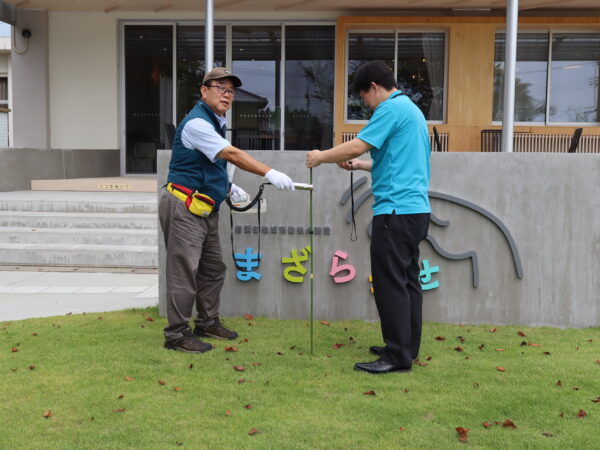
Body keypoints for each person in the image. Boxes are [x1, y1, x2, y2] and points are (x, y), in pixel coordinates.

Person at [306, 61, 431, 374]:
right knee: (408, 282)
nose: (366, 104)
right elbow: (395, 162)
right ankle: (406, 347)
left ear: (374, 87)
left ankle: (397, 356)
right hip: (415, 210)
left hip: (394, 212)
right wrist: (361, 166)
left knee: (390, 285)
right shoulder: (413, 112)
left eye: (364, 97)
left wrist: (320, 157)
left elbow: (359, 144)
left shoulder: (389, 109)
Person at [160, 67, 295, 353]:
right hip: (184, 205)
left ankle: (207, 322)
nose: (226, 94)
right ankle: (176, 335)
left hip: (205, 207)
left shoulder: (215, 122)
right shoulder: (197, 123)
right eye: (220, 87)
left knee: (213, 269)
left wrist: (228, 187)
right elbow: (229, 154)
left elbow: (213, 163)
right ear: (204, 90)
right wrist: (268, 172)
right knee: (184, 272)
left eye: (231, 90)